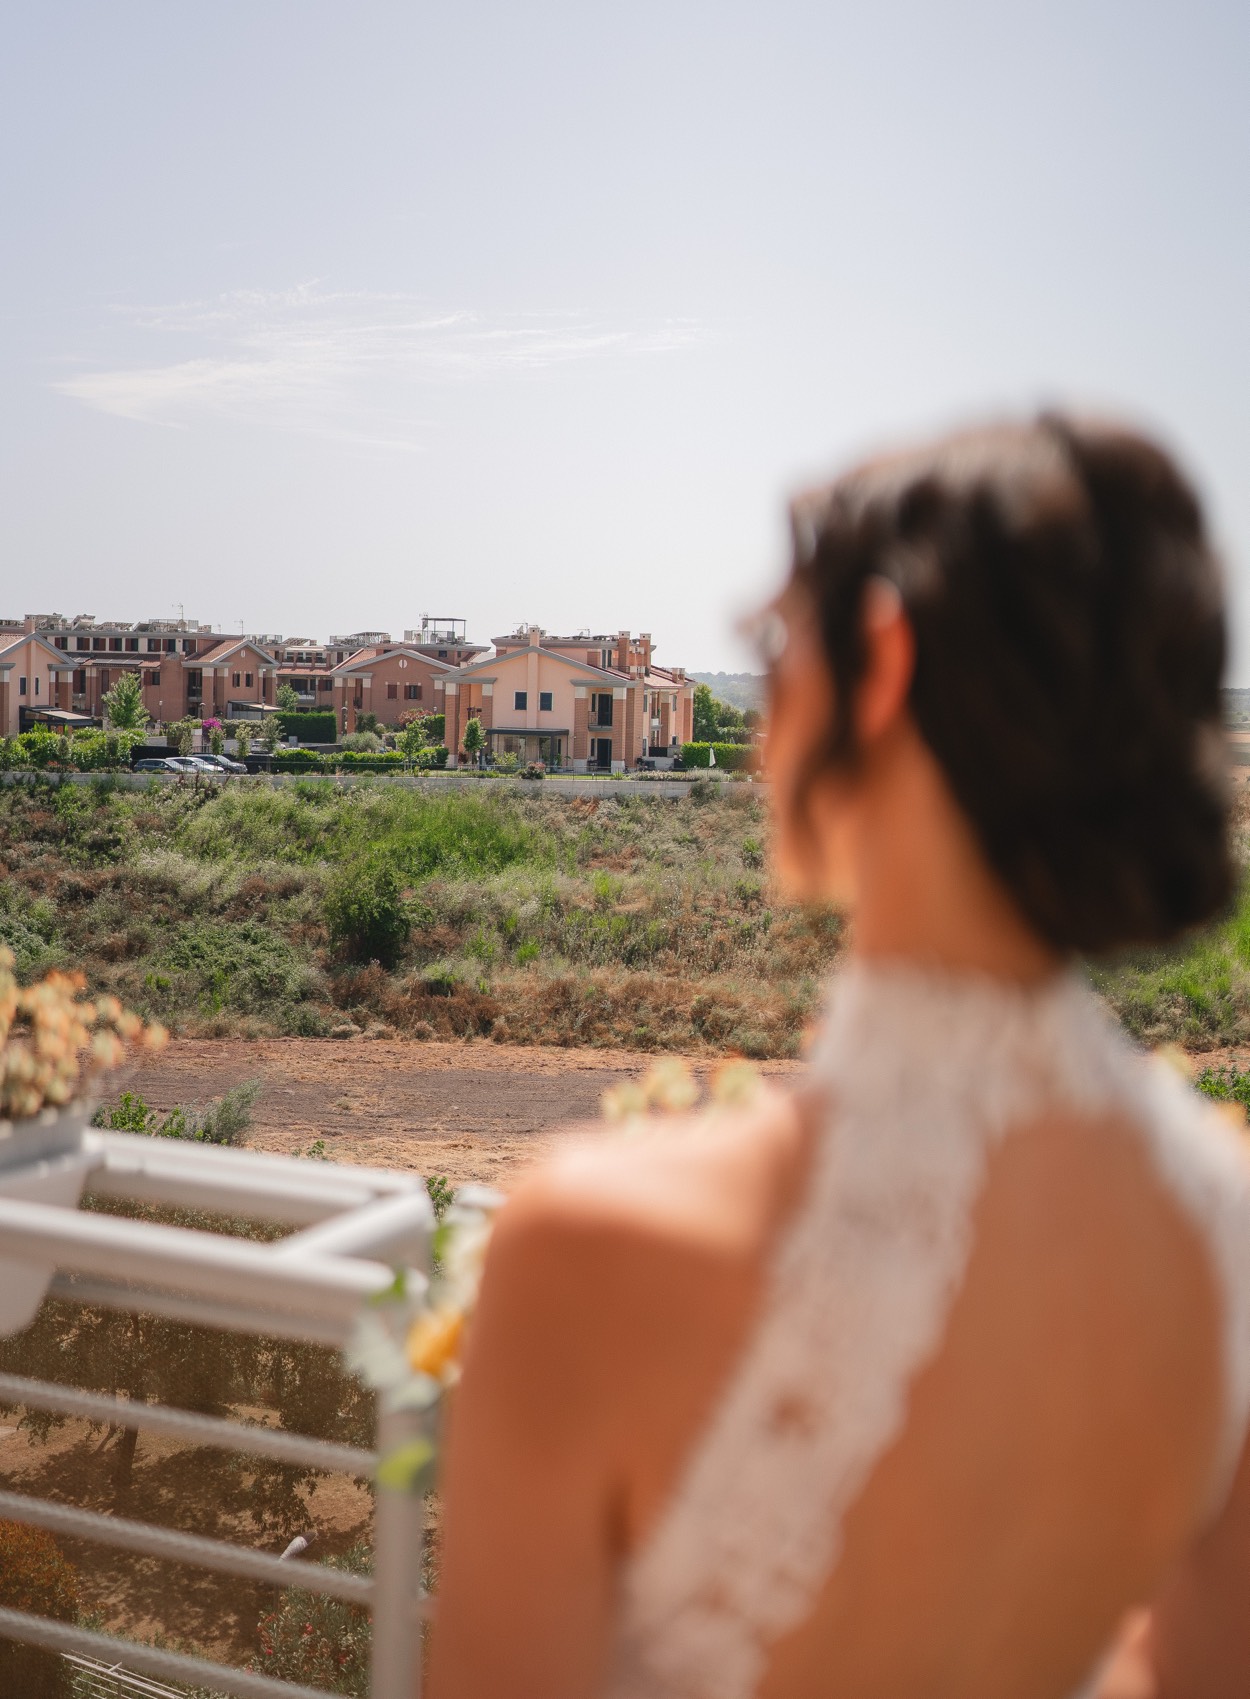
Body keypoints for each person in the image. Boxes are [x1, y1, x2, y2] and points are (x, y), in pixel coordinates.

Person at [428, 414, 1250, 1699]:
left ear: (882, 661)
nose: (757, 718)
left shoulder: (596, 1237)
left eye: (773, 643)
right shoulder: (1221, 1234)